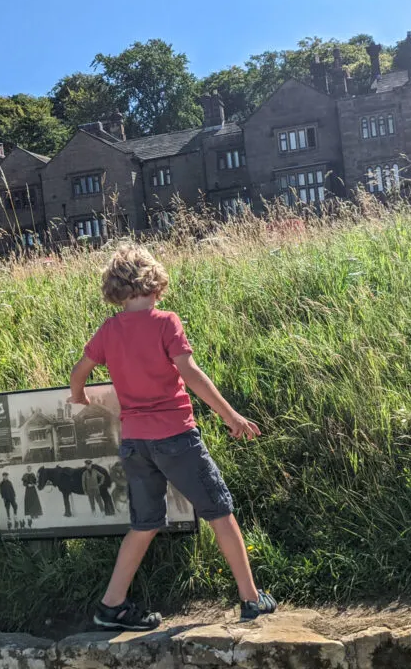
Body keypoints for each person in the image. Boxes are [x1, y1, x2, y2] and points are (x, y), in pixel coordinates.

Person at [70, 242, 276, 631]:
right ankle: (251, 599)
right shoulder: (166, 322)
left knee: (144, 522)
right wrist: (232, 416)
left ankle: (111, 606)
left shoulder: (109, 329)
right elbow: (191, 374)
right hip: (175, 437)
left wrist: (80, 398)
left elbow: (79, 372)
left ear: (116, 286)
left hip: (134, 443)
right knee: (219, 510)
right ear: (154, 281)